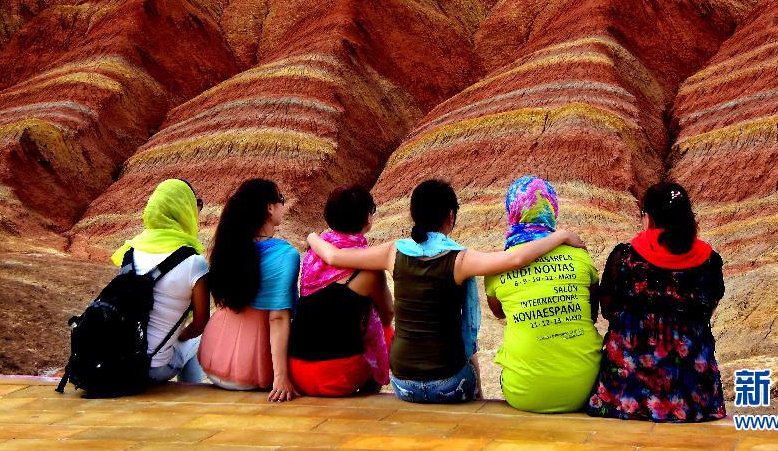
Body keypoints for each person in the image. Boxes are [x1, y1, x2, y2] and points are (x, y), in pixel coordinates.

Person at [306, 179, 587, 404]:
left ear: (413, 214)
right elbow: (514, 259)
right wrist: (560, 236)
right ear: (450, 217)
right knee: (471, 370)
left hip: (403, 384)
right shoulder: (460, 259)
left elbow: (332, 257)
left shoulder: (393, 251)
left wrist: (311, 236)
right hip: (449, 386)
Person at [587, 182, 726, 422]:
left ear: (649, 218)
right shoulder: (709, 261)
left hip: (626, 391)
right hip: (692, 395)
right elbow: (707, 309)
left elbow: (608, 309)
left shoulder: (624, 257)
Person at [485, 176, 603, 413]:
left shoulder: (498, 266)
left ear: (513, 210)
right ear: (552, 208)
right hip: (586, 387)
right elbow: (591, 312)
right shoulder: (580, 255)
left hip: (524, 394)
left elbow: (499, 312)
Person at [198, 179, 300, 402]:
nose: (284, 204)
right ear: (269, 207)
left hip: (212, 362)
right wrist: (281, 377)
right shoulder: (285, 254)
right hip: (255, 372)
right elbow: (278, 317)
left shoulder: (229, 247)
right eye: (281, 199)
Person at [289, 186, 394, 396]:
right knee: (386, 331)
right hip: (335, 376)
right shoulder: (369, 268)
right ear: (368, 218)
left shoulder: (313, 255)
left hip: (297, 370)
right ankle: (370, 392)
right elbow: (388, 312)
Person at [110, 178, 210, 384]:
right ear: (185, 210)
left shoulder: (130, 252)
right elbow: (200, 324)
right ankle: (190, 394)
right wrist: (177, 337)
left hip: (118, 362)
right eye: (196, 205)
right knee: (199, 338)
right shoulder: (194, 262)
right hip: (153, 370)